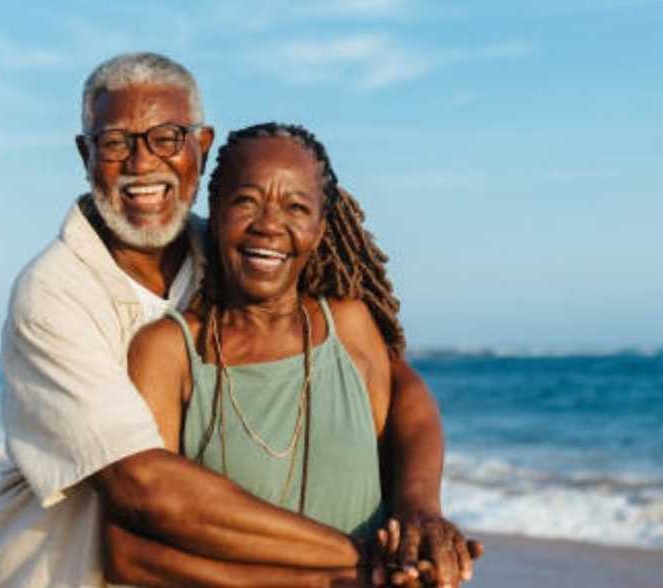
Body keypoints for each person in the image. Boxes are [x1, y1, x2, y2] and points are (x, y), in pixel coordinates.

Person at [0, 52, 478, 587]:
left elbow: (396, 383)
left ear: (201, 146)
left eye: (166, 137)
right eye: (116, 142)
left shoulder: (228, 253)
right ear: (86, 153)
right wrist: (370, 562)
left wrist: (420, 507)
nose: (142, 164)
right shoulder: (54, 295)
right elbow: (143, 486)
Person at [113, 122, 478, 587]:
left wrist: (421, 514)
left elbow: (411, 404)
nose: (269, 225)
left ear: (321, 229)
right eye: (246, 201)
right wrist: (344, 574)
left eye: (296, 207)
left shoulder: (349, 326)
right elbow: (129, 555)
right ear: (215, 209)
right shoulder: (170, 353)